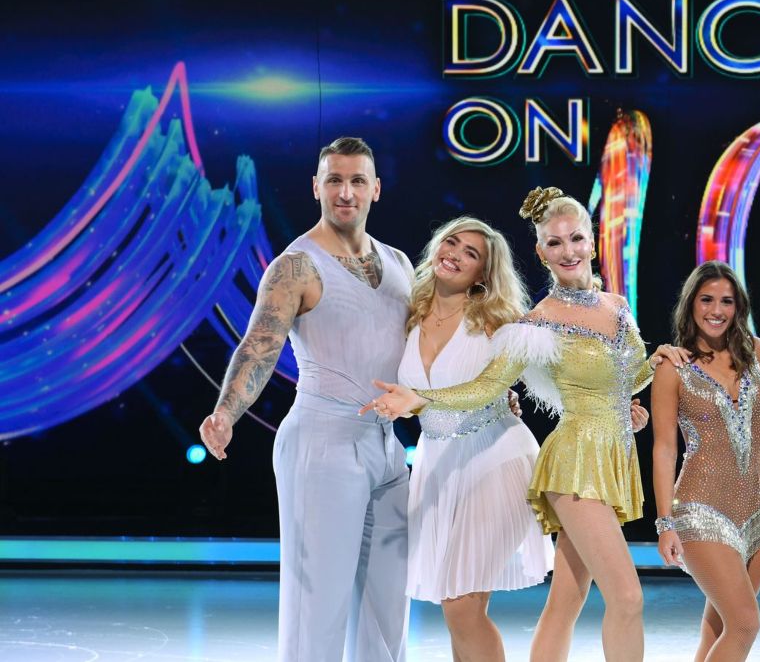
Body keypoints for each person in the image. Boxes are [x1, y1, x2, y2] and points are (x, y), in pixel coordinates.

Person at [363, 187, 656, 662]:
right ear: (540, 251)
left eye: (576, 238)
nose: (567, 250)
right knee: (624, 598)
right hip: (569, 462)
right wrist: (419, 398)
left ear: (593, 243)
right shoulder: (536, 323)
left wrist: (635, 395)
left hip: (605, 460)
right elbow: (484, 386)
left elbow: (628, 375)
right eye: (554, 243)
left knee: (567, 600)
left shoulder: (617, 307)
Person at [198, 137, 415, 662]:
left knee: (389, 612)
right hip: (323, 443)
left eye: (357, 180)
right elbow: (259, 345)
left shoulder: (400, 262)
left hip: (388, 448)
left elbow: (426, 353)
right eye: (335, 180)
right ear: (316, 187)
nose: (346, 192)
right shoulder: (295, 266)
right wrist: (226, 411)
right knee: (316, 608)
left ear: (376, 190)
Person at [397, 216, 554, 661]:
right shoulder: (407, 310)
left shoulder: (497, 321)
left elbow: (487, 389)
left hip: (495, 457)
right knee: (458, 604)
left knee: (462, 606)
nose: (456, 255)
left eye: (472, 254)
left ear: (484, 273)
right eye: (452, 243)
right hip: (437, 464)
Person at [649, 261, 760, 661]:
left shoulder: (754, 352)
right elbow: (665, 449)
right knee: (745, 624)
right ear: (691, 304)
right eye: (706, 299)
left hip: (757, 514)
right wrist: (665, 523)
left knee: (717, 628)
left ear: (739, 307)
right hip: (701, 511)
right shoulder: (673, 367)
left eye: (727, 301)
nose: (716, 310)